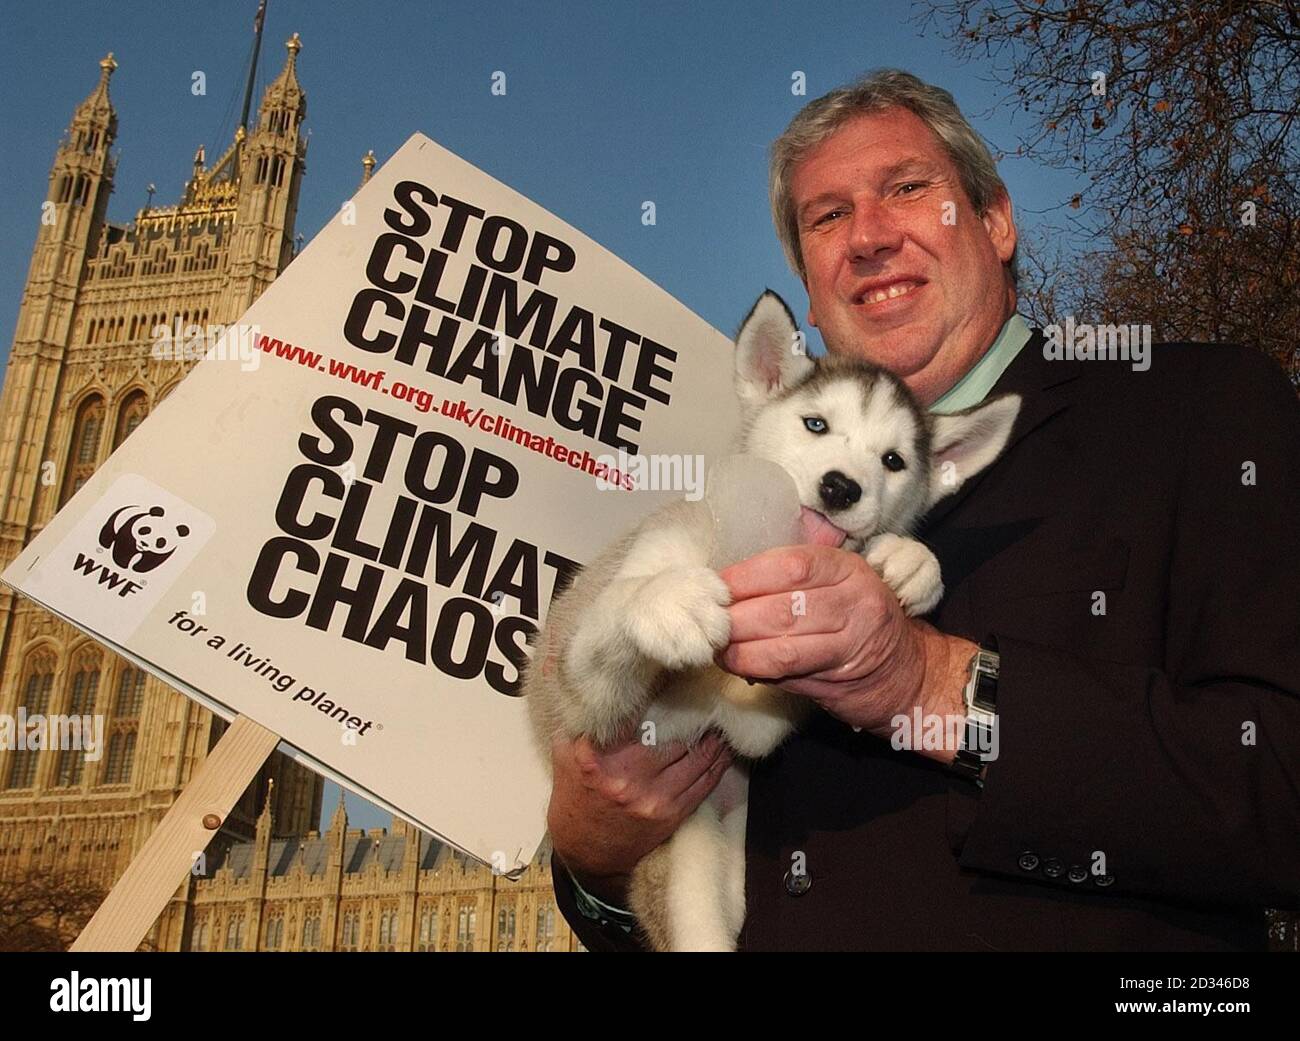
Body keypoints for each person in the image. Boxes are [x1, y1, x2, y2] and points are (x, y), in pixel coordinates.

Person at [545, 68, 1300, 951]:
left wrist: (931, 688)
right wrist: (593, 856)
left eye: (908, 189)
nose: (867, 236)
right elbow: (672, 879)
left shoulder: (1199, 409)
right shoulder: (734, 500)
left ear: (995, 221)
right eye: (827, 217)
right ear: (813, 298)